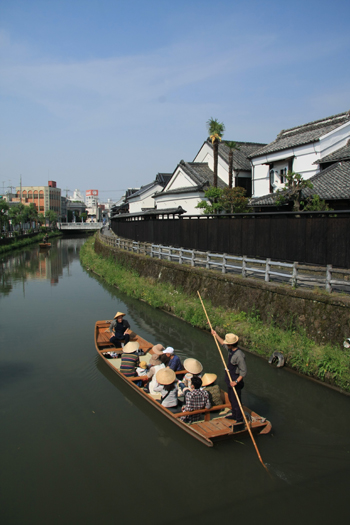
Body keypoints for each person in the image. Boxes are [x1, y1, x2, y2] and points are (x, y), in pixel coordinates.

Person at [211, 331, 246, 423]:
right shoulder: (231, 350)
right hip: (229, 378)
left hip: (235, 380)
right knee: (231, 398)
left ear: (231, 345)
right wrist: (215, 334)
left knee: (236, 401)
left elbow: (243, 371)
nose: (226, 345)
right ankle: (234, 415)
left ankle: (239, 419)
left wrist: (236, 382)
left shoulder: (239, 356)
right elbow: (222, 343)